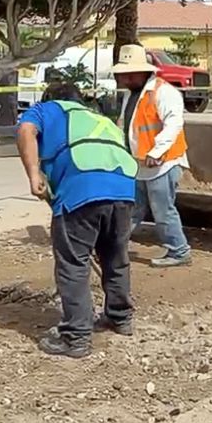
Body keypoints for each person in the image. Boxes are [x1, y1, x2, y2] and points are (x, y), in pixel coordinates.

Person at [16, 81, 138, 358]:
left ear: (49, 98)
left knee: (73, 264)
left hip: (82, 190)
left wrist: (34, 175)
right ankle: (120, 318)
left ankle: (76, 337)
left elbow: (25, 130)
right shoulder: (98, 117)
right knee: (115, 257)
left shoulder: (45, 110)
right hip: (123, 189)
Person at [113, 44, 192, 268]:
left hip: (163, 163)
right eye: (123, 75)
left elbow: (174, 124)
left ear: (143, 71)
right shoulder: (133, 96)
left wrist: (157, 151)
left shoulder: (164, 92)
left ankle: (179, 251)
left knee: (162, 210)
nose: (125, 79)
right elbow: (127, 127)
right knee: (132, 208)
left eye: (129, 74)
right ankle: (114, 246)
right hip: (139, 163)